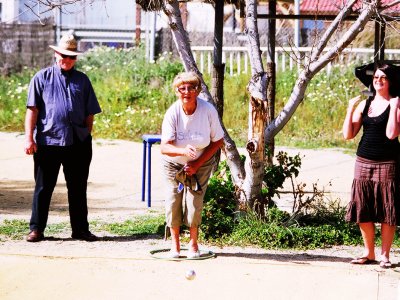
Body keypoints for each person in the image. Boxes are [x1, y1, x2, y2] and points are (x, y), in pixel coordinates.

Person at [24, 33, 101, 242]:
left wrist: (86, 135)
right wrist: (29, 138)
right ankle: (36, 229)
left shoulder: (83, 80)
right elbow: (32, 110)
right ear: (56, 54)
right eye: (63, 55)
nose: (67, 60)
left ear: (76, 58)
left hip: (78, 143)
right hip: (48, 142)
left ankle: (80, 230)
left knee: (77, 188)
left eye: (71, 57)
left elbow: (90, 113)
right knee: (43, 188)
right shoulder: (41, 78)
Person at [160, 71, 224, 258]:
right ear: (177, 91)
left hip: (201, 163)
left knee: (194, 202)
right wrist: (182, 152)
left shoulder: (208, 110)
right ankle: (175, 245)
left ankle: (194, 245)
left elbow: (217, 141)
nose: (186, 92)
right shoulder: (173, 112)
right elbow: (164, 147)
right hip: (174, 163)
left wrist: (196, 164)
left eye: (191, 88)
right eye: (182, 88)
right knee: (173, 200)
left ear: (198, 90)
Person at [343, 63, 400, 268]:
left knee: (387, 209)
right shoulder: (365, 105)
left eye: (383, 77)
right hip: (363, 161)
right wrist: (350, 108)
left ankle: (385, 255)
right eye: (376, 77)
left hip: (388, 162)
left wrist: (394, 107)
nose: (379, 80)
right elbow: (348, 134)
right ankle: (369, 252)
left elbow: (392, 134)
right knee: (362, 208)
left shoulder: (397, 104)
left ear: (391, 81)